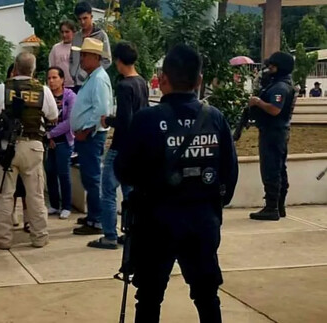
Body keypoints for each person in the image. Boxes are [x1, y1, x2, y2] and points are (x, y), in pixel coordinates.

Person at [115, 44, 238, 323]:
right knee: (207, 296)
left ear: (163, 79)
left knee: (148, 297)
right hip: (202, 221)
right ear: (199, 81)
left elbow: (123, 171)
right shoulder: (215, 118)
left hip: (155, 223)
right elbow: (229, 174)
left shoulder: (147, 119)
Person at [0, 52, 58, 250]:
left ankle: (1, 239)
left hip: (8, 147)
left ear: (15, 67)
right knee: (35, 195)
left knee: (5, 194)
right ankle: (39, 237)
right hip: (33, 146)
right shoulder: (43, 90)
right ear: (33, 70)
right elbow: (53, 116)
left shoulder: (1, 89)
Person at [90, 42, 149, 249]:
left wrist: (108, 120)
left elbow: (125, 120)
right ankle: (131, 232)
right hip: (136, 146)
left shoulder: (124, 86)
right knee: (130, 191)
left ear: (118, 61)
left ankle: (109, 235)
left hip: (121, 145)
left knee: (107, 190)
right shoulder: (142, 82)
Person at [70, 38, 112, 236]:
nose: (82, 59)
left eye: (85, 55)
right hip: (86, 136)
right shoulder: (92, 77)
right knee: (89, 177)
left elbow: (101, 111)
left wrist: (85, 130)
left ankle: (96, 220)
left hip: (91, 136)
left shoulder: (99, 79)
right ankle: (93, 215)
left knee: (93, 177)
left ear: (96, 57)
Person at [248, 52, 296, 221]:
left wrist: (257, 102)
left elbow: (275, 110)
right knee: (279, 168)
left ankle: (271, 207)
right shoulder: (281, 84)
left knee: (271, 169)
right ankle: (279, 206)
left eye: (272, 67)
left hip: (273, 132)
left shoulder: (280, 87)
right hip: (278, 132)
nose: (269, 69)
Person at [45, 67, 76, 219]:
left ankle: (66, 206)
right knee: (50, 172)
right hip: (48, 140)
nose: (51, 81)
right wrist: (47, 137)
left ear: (62, 79)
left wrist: (52, 133)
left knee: (63, 173)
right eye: (49, 78)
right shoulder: (45, 95)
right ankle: (54, 204)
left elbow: (69, 122)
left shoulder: (70, 96)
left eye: (55, 77)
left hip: (64, 140)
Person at [69, 1, 112, 93]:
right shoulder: (76, 36)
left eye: (85, 18)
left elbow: (107, 60)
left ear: (91, 17)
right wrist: (73, 72)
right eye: (79, 19)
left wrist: (89, 72)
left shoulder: (101, 35)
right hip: (76, 83)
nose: (82, 22)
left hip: (93, 82)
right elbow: (72, 57)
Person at [49, 20, 77, 89]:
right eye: (62, 32)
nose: (64, 35)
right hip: (60, 87)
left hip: (76, 86)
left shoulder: (78, 47)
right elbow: (52, 67)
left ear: (73, 33)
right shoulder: (55, 48)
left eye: (67, 32)